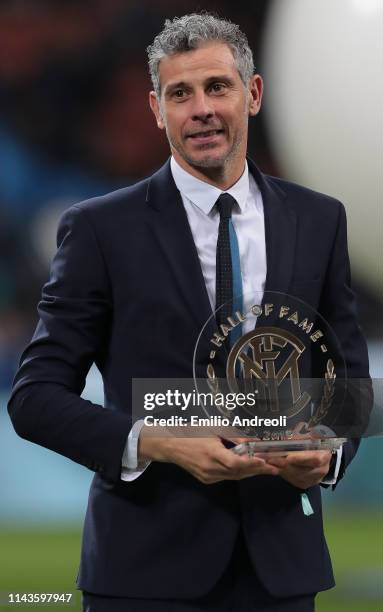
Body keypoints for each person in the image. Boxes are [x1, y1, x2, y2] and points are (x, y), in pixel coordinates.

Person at [8, 12, 370, 612]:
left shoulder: (319, 219)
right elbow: (34, 397)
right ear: (157, 109)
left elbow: (348, 380)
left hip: (282, 570)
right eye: (180, 93)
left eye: (217, 87)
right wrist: (157, 442)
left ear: (252, 94)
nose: (200, 108)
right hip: (143, 574)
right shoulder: (101, 231)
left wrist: (328, 454)